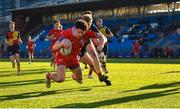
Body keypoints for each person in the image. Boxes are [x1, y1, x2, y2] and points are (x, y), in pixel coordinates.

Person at [45, 19, 111, 88]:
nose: (80, 34)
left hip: (73, 59)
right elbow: (54, 48)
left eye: (82, 32)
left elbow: (103, 37)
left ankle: (74, 76)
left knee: (80, 80)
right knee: (60, 79)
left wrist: (101, 44)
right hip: (62, 58)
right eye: (79, 32)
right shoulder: (66, 33)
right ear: (75, 29)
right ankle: (49, 76)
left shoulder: (86, 34)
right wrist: (61, 44)